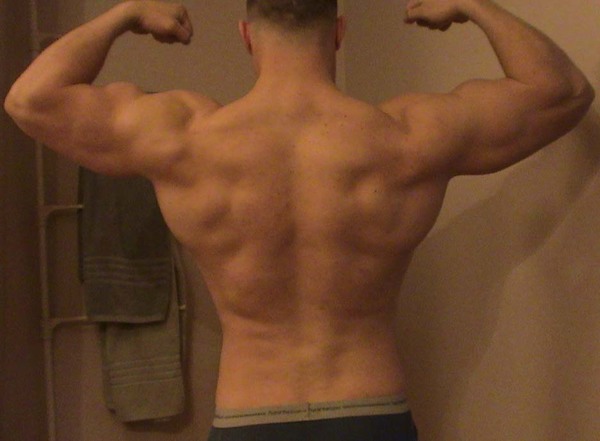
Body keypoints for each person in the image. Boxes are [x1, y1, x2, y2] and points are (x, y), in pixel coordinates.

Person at [4, 0, 594, 439]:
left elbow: (30, 99)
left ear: (246, 37)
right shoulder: (407, 137)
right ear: (338, 33)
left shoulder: (186, 138)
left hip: (247, 416)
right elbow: (563, 91)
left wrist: (126, 14)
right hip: (371, 411)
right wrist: (472, 5)